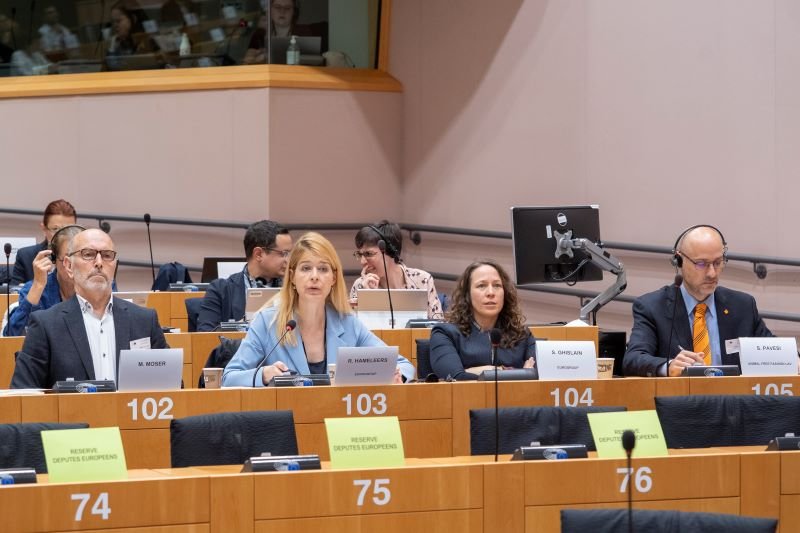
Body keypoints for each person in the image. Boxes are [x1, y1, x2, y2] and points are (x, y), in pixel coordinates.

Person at [222, 231, 415, 386]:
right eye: (306, 268)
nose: (314, 276)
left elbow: (403, 365)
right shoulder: (267, 322)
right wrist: (263, 374)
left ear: (333, 278)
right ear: (292, 277)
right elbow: (229, 377)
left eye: (323, 269)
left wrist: (396, 377)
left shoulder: (348, 323)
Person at [10, 229, 168, 389]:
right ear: (69, 266)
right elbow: (22, 392)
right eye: (88, 254)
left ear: (115, 265)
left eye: (107, 255)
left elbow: (171, 387)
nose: (99, 262)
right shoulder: (46, 325)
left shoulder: (145, 321)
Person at [623, 225, 774, 377]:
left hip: (733, 392)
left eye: (718, 262)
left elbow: (774, 351)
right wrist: (668, 366)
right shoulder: (652, 307)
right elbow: (633, 359)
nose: (712, 273)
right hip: (681, 392)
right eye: (701, 264)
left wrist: (787, 358)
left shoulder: (742, 306)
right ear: (679, 261)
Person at [429, 260, 536, 381]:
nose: (490, 293)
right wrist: (514, 372)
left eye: (497, 285)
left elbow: (538, 375)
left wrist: (473, 371)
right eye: (481, 286)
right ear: (467, 294)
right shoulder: (445, 333)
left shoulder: (522, 335)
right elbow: (456, 378)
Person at [196, 220, 292, 331]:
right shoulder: (220, 290)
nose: (289, 260)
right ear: (258, 254)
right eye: (284, 254)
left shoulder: (293, 287)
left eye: (290, 254)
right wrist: (241, 327)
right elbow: (205, 336)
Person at [349, 220, 443, 319]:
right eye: (360, 254)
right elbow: (355, 328)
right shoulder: (360, 286)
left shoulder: (423, 280)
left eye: (368, 254)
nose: (362, 261)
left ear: (392, 252)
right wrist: (369, 298)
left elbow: (438, 326)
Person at [4, 224, 85, 336]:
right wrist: (38, 285)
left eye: (84, 257)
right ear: (53, 259)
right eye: (67, 259)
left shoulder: (98, 288)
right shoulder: (34, 289)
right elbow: (11, 336)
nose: (75, 266)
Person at [12, 199, 77, 286]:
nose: (62, 236)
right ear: (44, 229)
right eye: (55, 229)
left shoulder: (83, 257)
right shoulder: (25, 256)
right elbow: (14, 291)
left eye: (68, 229)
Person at [105, 1, 161, 71]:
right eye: (113, 22)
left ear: (133, 19)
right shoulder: (118, 42)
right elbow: (112, 66)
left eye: (118, 21)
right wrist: (112, 46)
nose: (115, 25)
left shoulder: (147, 41)